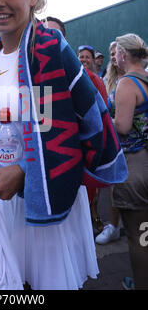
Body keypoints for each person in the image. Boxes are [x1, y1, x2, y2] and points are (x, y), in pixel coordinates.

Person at [0, 0, 127, 290]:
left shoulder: (48, 49)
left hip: (44, 191)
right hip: (0, 197)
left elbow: (64, 127)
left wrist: (23, 172)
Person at [112, 33, 148, 290]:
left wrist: (102, 118)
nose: (113, 57)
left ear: (123, 55)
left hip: (133, 167)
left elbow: (122, 126)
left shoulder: (126, 83)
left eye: (115, 53)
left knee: (138, 237)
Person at [95, 41, 126, 245]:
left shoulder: (142, 76)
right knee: (117, 184)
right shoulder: (109, 79)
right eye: (111, 53)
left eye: (116, 53)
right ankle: (114, 226)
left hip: (136, 141)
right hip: (118, 141)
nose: (113, 57)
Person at [77, 44, 108, 233]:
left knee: (92, 187)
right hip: (76, 143)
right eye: (81, 56)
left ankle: (93, 219)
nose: (84, 60)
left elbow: (102, 111)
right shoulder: (72, 76)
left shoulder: (96, 79)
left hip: (91, 140)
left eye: (87, 57)